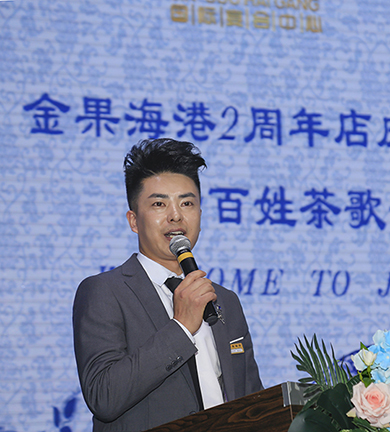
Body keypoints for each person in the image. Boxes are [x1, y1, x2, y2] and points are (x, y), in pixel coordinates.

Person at [73, 138, 263, 431]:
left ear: (200, 215)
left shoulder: (225, 300)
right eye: (159, 204)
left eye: (187, 203)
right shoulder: (104, 292)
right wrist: (182, 326)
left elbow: (252, 401)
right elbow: (104, 396)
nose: (176, 215)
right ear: (134, 221)